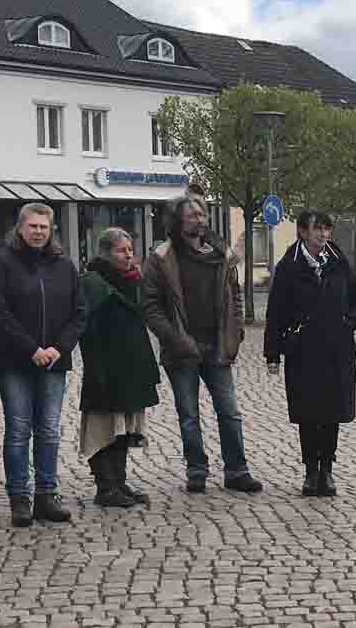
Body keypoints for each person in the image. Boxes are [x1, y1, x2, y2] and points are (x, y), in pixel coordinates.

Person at [142, 193, 262, 494]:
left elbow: (234, 294)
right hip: (181, 349)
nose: (200, 219)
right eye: (193, 214)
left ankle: (237, 470)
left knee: (230, 412)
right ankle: (196, 470)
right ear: (178, 221)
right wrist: (174, 338)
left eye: (202, 214)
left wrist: (236, 331)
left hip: (217, 346)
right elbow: (150, 307)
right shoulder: (161, 258)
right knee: (189, 415)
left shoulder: (218, 254)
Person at [0, 203, 87, 528]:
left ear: (51, 229)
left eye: (44, 227)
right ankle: (19, 498)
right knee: (18, 429)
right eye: (33, 226)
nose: (38, 232)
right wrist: (32, 349)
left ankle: (46, 494)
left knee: (49, 430)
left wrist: (57, 347)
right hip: (14, 361)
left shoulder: (64, 266)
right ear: (20, 228)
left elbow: (79, 312)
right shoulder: (3, 263)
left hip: (54, 361)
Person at [265, 209, 356, 497]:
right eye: (317, 229)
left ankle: (328, 469)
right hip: (304, 351)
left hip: (336, 349)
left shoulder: (338, 262)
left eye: (327, 229)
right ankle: (311, 470)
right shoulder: (289, 266)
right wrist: (272, 353)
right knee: (308, 412)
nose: (323, 234)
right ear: (302, 231)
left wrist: (351, 321)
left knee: (332, 411)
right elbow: (275, 312)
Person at [78, 228, 159, 508]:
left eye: (129, 250)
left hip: (130, 367)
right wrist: (97, 369)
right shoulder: (93, 282)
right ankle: (105, 487)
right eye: (121, 250)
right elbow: (88, 331)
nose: (128, 256)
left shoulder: (132, 281)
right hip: (105, 367)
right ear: (106, 253)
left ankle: (119, 483)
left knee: (123, 428)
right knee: (103, 428)